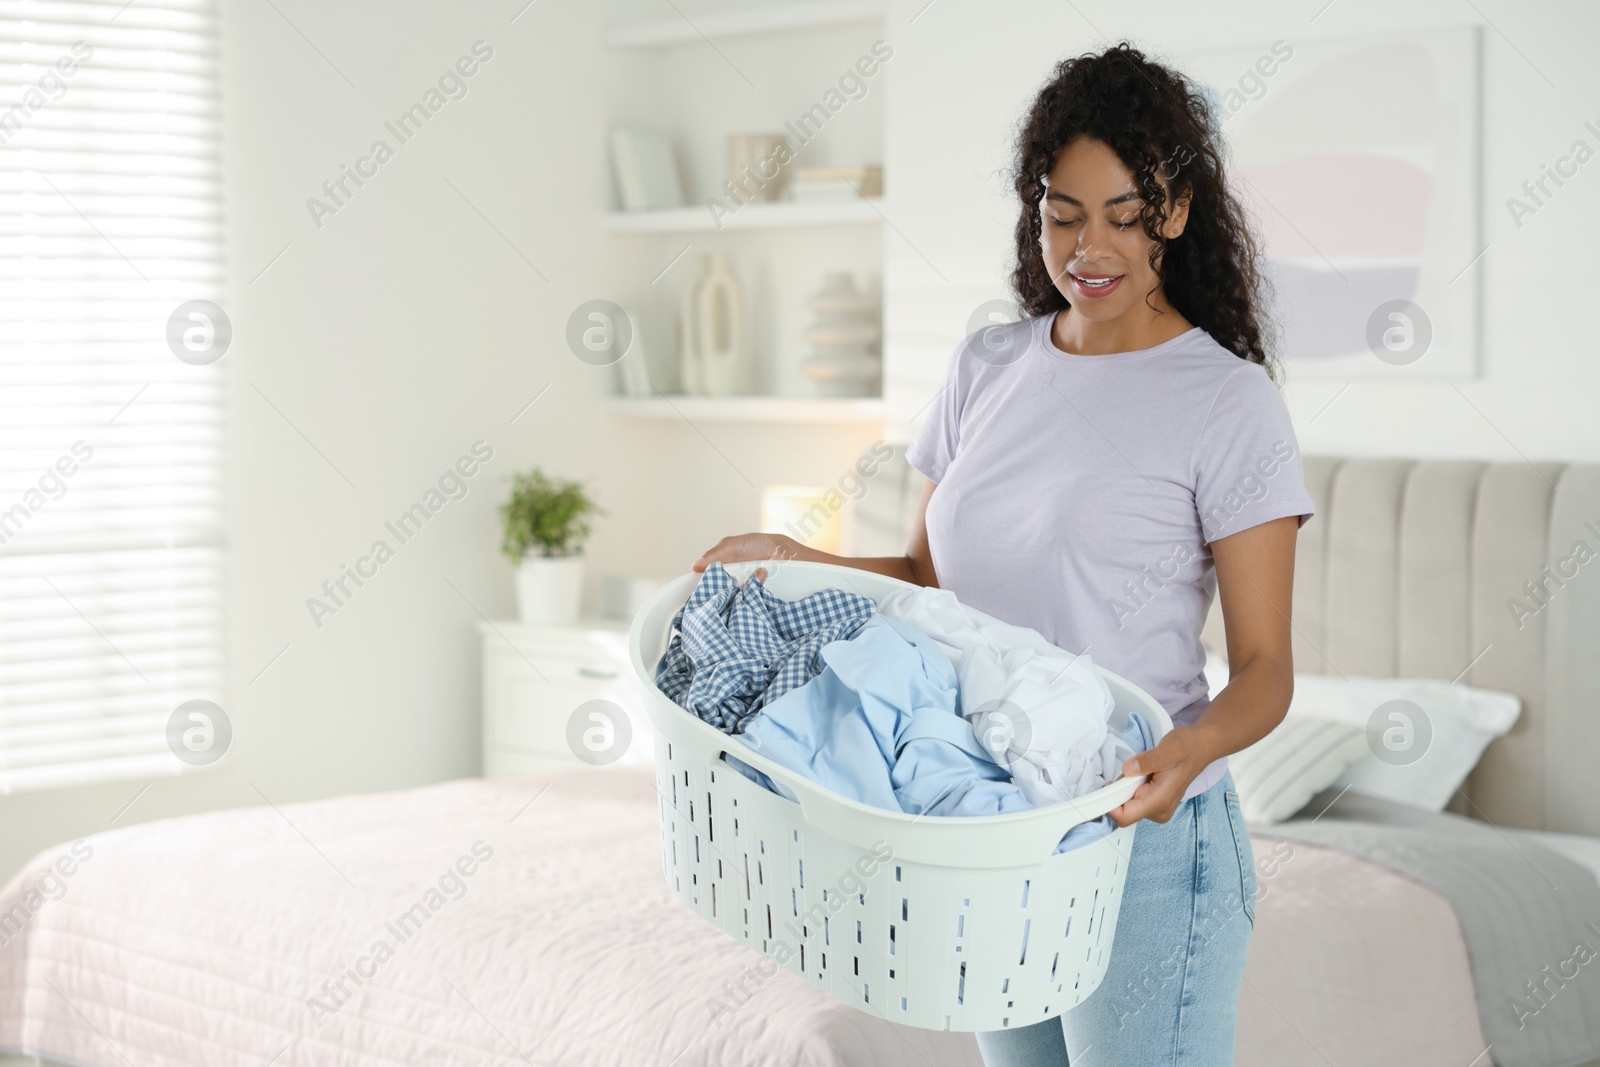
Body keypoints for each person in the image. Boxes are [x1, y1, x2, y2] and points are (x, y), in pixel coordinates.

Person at [691, 41, 1313, 1066]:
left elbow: (1264, 671)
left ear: (1176, 213)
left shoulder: (1227, 402)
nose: (1088, 245)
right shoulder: (988, 364)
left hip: (1141, 831)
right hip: (990, 824)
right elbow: (931, 587)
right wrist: (797, 555)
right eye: (1063, 210)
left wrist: (1184, 752)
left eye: (1123, 212)